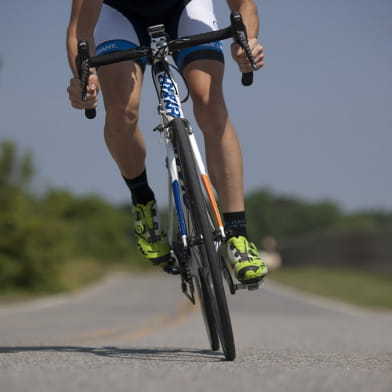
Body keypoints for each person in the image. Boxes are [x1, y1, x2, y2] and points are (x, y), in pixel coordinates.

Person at [66, 0, 268, 283]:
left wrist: (247, 41)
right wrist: (82, 79)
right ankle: (143, 202)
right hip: (120, 14)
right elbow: (80, 29)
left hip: (187, 6)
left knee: (210, 103)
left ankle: (238, 236)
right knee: (122, 112)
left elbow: (244, 5)